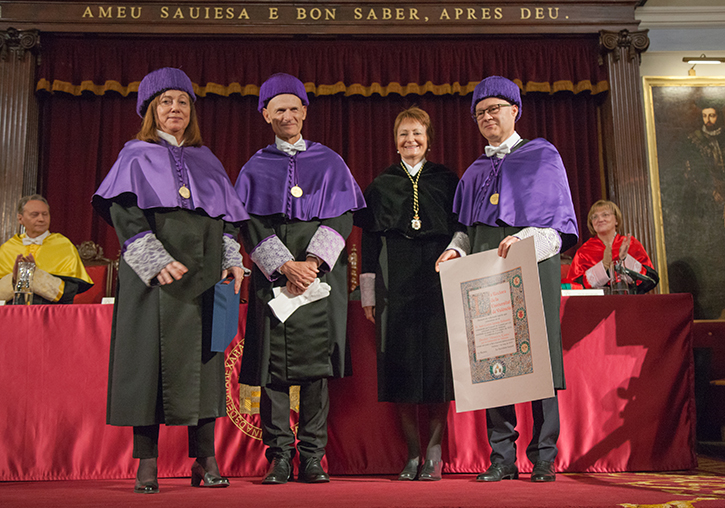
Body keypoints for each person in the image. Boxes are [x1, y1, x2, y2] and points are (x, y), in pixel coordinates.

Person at [92, 67, 249, 494]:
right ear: (150, 111)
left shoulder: (208, 159)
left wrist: (233, 258)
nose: (174, 108)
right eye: (165, 102)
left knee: (206, 368)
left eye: (182, 101)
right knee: (146, 369)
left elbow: (226, 220)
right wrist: (152, 258)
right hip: (153, 280)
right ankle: (147, 463)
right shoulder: (134, 155)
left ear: (191, 111)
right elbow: (124, 213)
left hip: (203, 278)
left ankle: (206, 460)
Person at [436, 76, 578, 483]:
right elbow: (466, 227)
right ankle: (502, 456)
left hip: (533, 265)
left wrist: (525, 238)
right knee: (493, 360)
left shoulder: (542, 155)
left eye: (494, 109)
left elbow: (558, 227)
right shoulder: (474, 171)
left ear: (515, 111)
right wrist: (455, 250)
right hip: (485, 269)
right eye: (480, 113)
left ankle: (544, 455)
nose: (487, 117)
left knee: (540, 360)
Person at [235, 73, 365, 484]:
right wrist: (283, 265)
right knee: (272, 369)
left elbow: (343, 214)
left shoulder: (330, 162)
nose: (288, 115)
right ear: (266, 115)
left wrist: (311, 263)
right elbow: (248, 222)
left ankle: (311, 455)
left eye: (294, 108)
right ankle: (279, 456)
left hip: (319, 275)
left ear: (305, 112)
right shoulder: (255, 166)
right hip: (273, 274)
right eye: (279, 109)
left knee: (315, 368)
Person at [353, 107, 459, 481]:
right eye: (403, 135)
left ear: (428, 139)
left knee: (436, 369)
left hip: (438, 283)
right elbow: (368, 243)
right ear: (394, 141)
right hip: (393, 284)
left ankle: (434, 451)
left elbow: (461, 232)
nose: (410, 140)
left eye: (417, 134)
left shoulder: (447, 180)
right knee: (399, 370)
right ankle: (412, 454)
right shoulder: (381, 184)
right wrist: (368, 293)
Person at [0, 194, 93, 304]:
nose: (41, 219)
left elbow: (70, 291)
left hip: (50, 313)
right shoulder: (8, 248)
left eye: (45, 214)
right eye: (35, 215)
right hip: (13, 314)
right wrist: (15, 279)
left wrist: (36, 275)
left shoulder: (63, 245)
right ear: (20, 218)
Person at [565, 200, 658, 294]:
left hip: (630, 303)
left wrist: (625, 259)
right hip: (597, 305)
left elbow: (651, 281)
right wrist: (603, 266)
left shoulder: (630, 244)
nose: (600, 219)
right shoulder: (584, 251)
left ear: (616, 220)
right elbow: (572, 288)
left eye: (605, 215)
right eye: (594, 217)